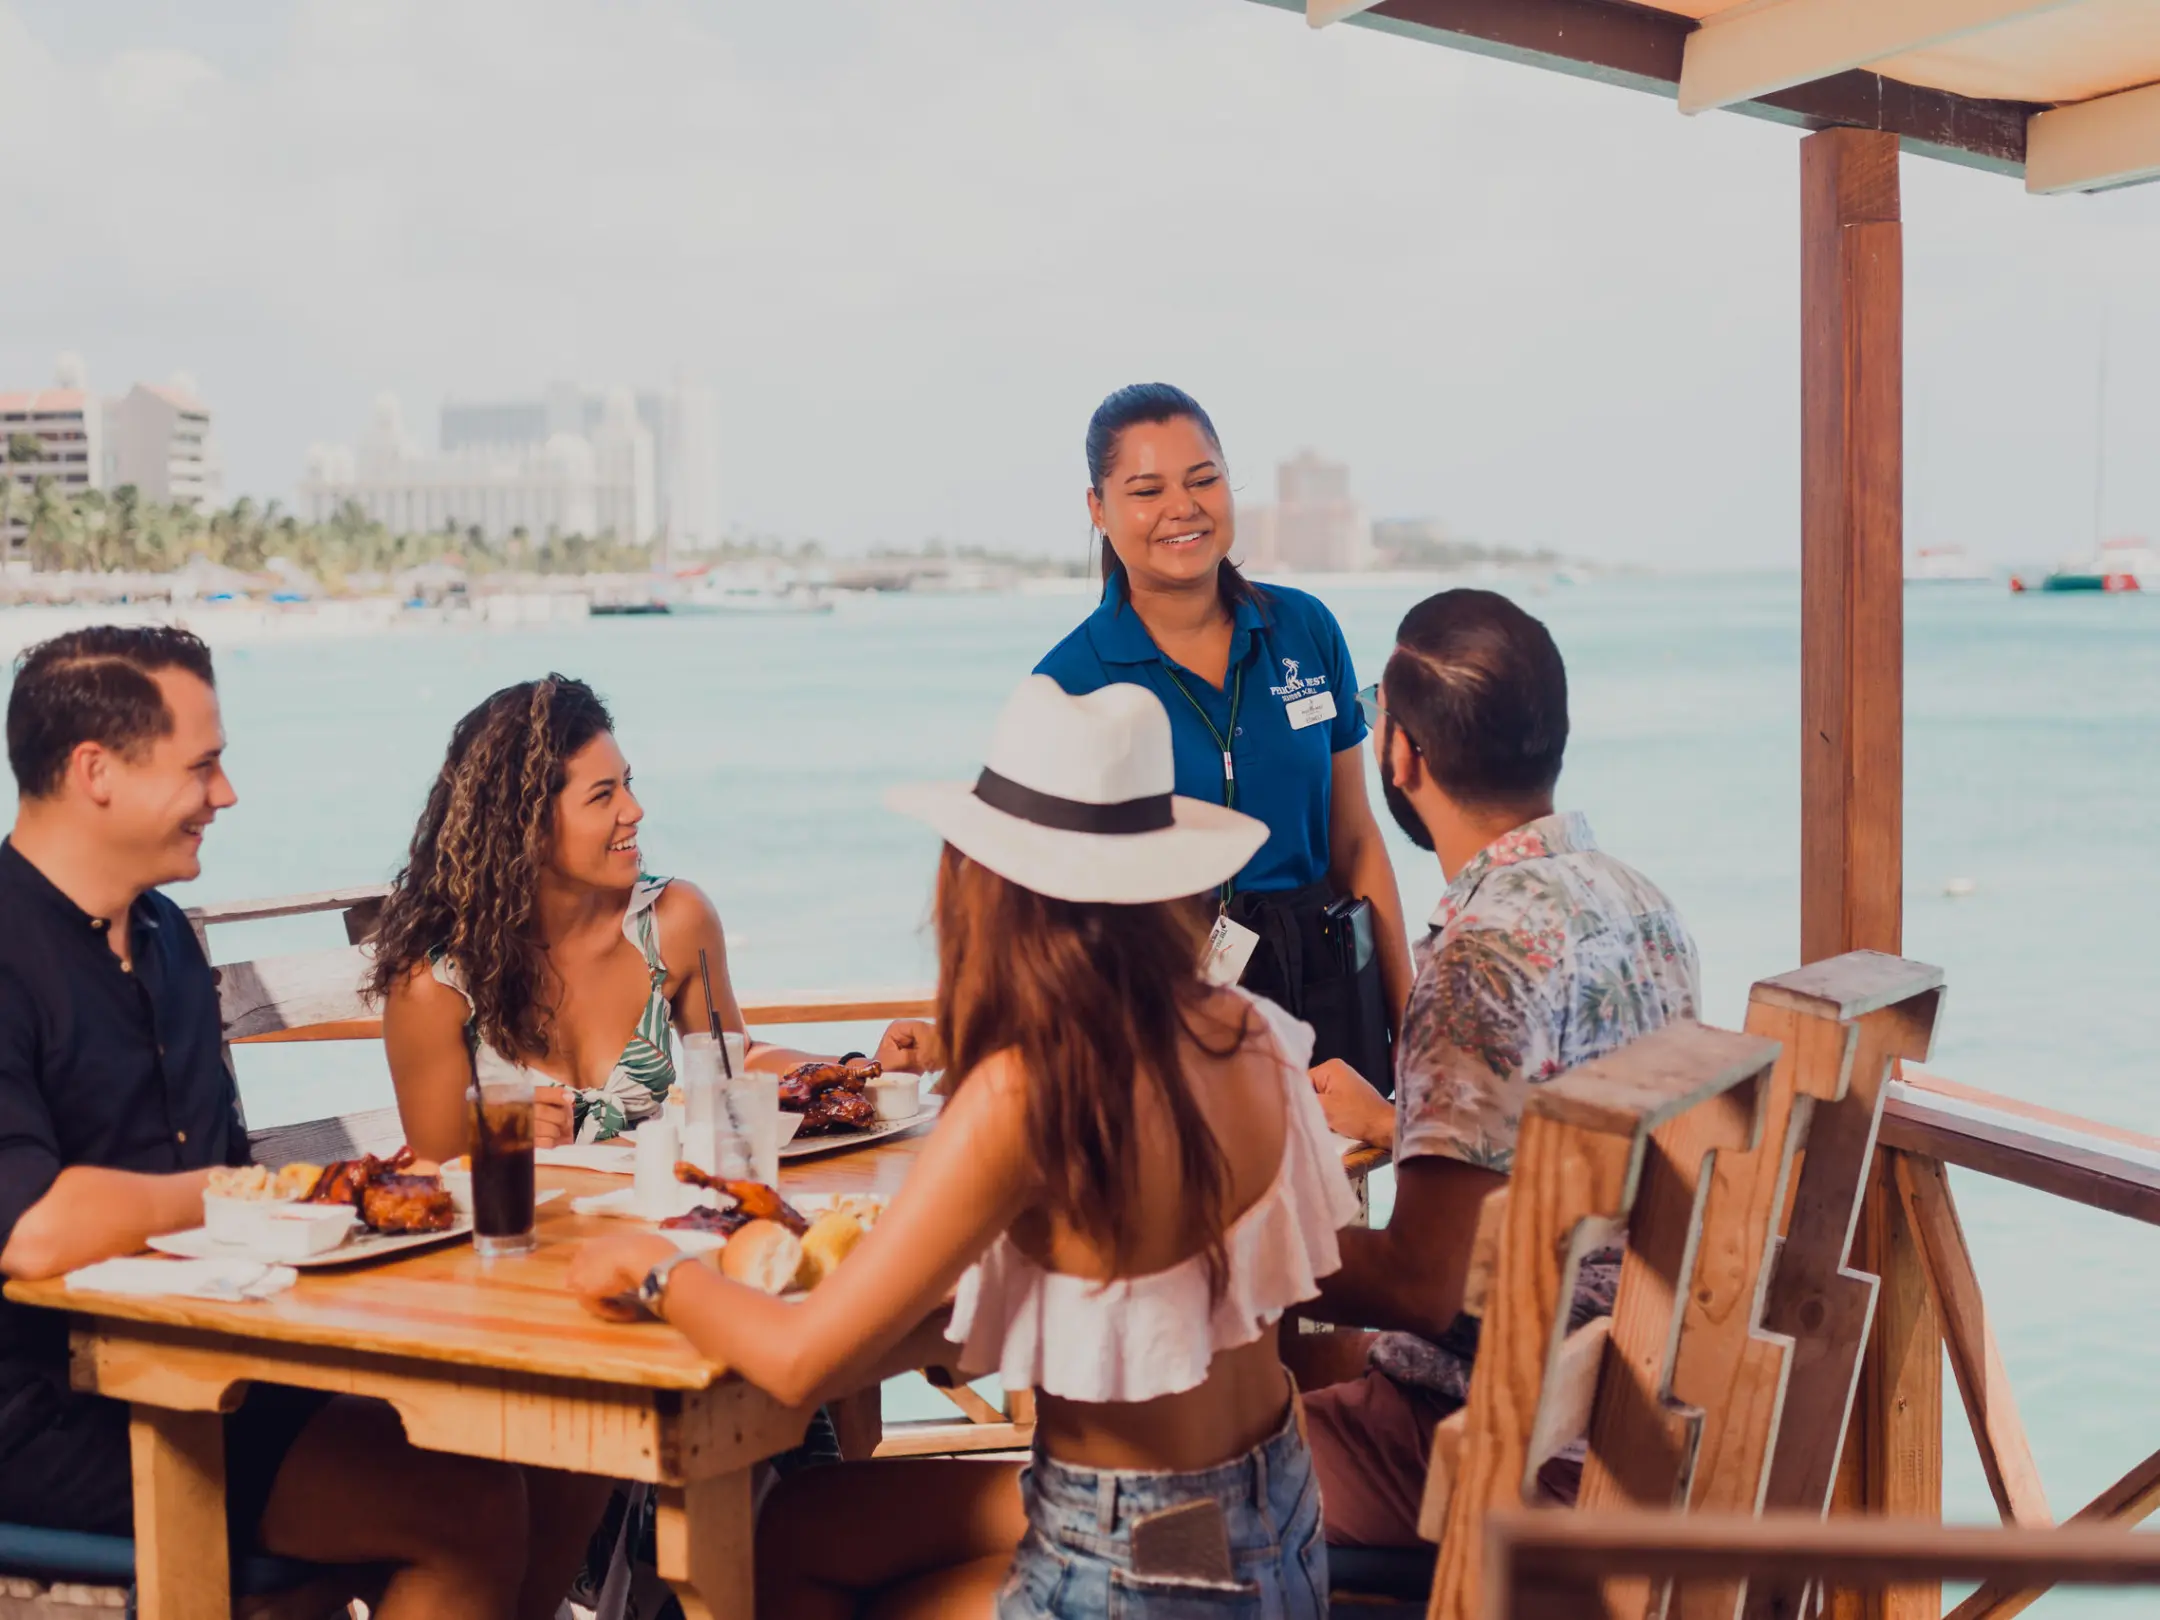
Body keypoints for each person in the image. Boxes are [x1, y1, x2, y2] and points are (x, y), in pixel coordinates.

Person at [566, 676, 1361, 1619]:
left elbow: (796, 1365)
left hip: (1133, 1566)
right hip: (1274, 1529)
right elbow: (1119, 1297)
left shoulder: (1029, 1093)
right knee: (801, 1531)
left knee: (783, 1563)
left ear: (986, 880)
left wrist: (658, 1271)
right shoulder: (1253, 1034)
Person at [0, 626, 585, 1620]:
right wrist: (262, 1191)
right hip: (51, 1413)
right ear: (96, 771)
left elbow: (219, 1199)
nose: (225, 795)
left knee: (557, 1438)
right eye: (204, 764)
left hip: (213, 1365)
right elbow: (33, 1230)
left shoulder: (167, 947)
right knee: (465, 1509)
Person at [1292, 589, 1702, 1550]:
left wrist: (1208, 1255)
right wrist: (1403, 1123)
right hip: (1623, 1417)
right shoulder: (1641, 904)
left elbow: (1416, 1290)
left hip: (1492, 1443)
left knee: (1161, 1483)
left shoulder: (1476, 958)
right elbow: (1570, 1140)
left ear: (1401, 757)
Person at [368, 674, 926, 1159]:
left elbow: (734, 1062)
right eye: (602, 796)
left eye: (627, 784)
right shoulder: (434, 986)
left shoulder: (675, 921)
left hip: (661, 1230)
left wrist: (863, 1068)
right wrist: (493, 1133)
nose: (634, 811)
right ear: (525, 825)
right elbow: (433, 1162)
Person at [1028, 382, 1411, 1089]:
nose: (1183, 508)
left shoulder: (1306, 629)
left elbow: (1356, 839)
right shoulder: (1068, 683)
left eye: (1203, 479)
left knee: (1338, 1200)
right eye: (1147, 490)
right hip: (1168, 1020)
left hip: (1330, 1002)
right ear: (1098, 510)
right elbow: (1053, 920)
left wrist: (1411, 1025)